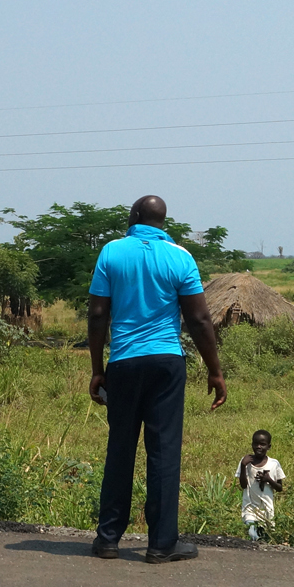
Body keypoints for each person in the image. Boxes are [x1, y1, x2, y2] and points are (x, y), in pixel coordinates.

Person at [87, 195, 226, 564]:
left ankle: (107, 540)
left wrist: (97, 368)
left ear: (133, 217)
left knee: (120, 448)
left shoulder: (111, 253)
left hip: (124, 363)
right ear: (164, 221)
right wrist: (214, 370)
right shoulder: (180, 257)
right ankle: (162, 544)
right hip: (167, 362)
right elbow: (198, 319)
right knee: (163, 451)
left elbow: (98, 313)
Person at [237, 430, 285, 541]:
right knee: (252, 533)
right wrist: (243, 466)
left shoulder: (274, 464)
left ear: (269, 447)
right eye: (256, 444)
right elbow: (243, 485)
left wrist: (268, 480)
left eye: (262, 444)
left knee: (266, 537)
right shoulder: (245, 462)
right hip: (250, 508)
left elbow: (279, 488)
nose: (258, 447)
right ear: (252, 445)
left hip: (266, 509)